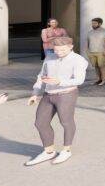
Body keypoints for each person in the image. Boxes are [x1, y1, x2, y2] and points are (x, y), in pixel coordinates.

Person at [25, 37, 88, 166]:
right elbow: (41, 76)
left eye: (62, 50)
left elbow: (79, 80)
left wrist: (60, 82)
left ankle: (66, 150)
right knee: (40, 122)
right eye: (56, 50)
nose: (58, 52)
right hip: (48, 94)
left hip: (67, 94)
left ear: (71, 46)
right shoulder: (49, 57)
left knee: (65, 121)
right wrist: (35, 93)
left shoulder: (79, 60)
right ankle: (49, 151)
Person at [86, 18, 105, 86]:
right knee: (96, 66)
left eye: (95, 23)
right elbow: (88, 41)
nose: (93, 24)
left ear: (100, 24)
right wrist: (87, 51)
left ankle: (104, 80)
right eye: (92, 23)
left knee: (102, 66)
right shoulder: (90, 32)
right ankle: (98, 79)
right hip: (92, 52)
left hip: (101, 51)